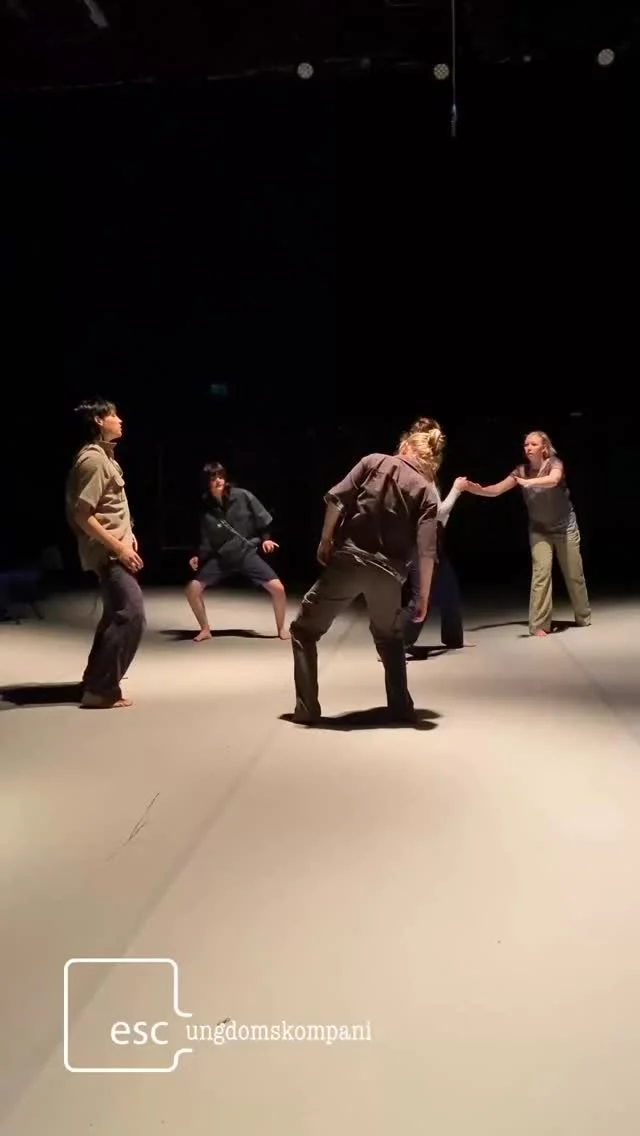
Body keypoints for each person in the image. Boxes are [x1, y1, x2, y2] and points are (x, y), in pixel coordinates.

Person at [287, 423, 440, 725]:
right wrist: (422, 596)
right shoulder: (427, 491)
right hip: (389, 574)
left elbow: (336, 500)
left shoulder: (374, 461)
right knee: (390, 639)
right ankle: (400, 708)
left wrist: (326, 540)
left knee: (304, 631)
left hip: (350, 560)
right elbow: (427, 551)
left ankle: (307, 709)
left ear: (406, 446)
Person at [465, 430, 591, 637]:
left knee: (573, 574)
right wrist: (472, 488)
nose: (529, 448)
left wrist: (530, 482)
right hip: (539, 529)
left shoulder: (554, 463)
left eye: (533, 444)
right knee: (541, 575)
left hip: (565, 527)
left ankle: (583, 615)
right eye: (526, 445)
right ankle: (539, 624)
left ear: (544, 447)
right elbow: (495, 490)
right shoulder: (521, 471)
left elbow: (553, 479)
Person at [65, 397, 145, 708]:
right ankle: (100, 690)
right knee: (131, 614)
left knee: (114, 615)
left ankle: (94, 681)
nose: (120, 420)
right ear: (99, 421)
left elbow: (110, 507)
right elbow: (82, 514)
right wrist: (119, 547)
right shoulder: (94, 461)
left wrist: (129, 534)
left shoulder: (106, 458)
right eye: (113, 415)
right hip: (109, 553)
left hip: (114, 548)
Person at [186, 461, 289, 641]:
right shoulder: (205, 506)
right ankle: (205, 629)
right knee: (192, 590)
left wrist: (266, 539)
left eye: (221, 476)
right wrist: (197, 556)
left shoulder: (242, 496)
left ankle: (281, 628)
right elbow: (204, 536)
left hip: (245, 553)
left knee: (278, 589)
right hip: (222, 557)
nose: (218, 480)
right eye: (213, 478)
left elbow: (262, 518)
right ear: (206, 482)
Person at [400, 418, 468, 654]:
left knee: (448, 591)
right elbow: (436, 513)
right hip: (421, 541)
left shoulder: (426, 470)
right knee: (421, 597)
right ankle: (396, 643)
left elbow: (437, 517)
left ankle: (453, 639)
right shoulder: (418, 471)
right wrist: (457, 490)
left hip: (431, 539)